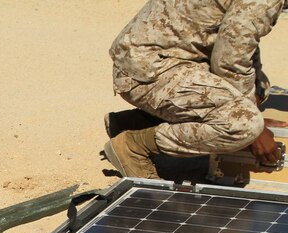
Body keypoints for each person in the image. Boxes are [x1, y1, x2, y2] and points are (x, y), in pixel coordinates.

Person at [104, 0, 285, 179]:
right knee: (244, 126)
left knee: (258, 88)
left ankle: (137, 123)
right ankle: (133, 146)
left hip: (158, 57)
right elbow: (230, 62)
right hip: (149, 70)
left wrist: (249, 102)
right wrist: (255, 128)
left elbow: (240, 41)